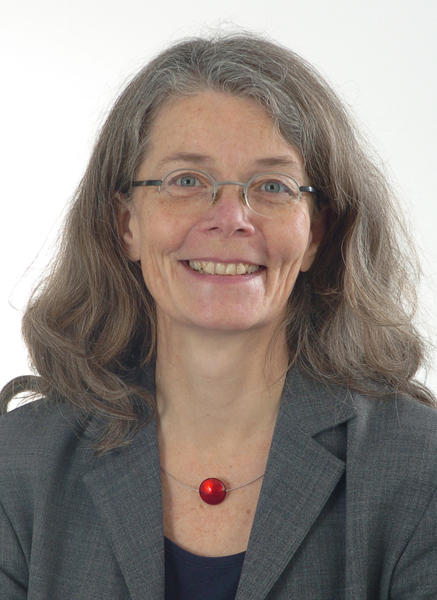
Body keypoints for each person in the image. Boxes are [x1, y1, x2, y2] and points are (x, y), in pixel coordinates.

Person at [1, 32, 436, 600]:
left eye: (273, 186)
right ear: (126, 224)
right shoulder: (18, 465)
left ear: (315, 234)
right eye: (186, 181)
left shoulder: (420, 469)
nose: (231, 218)